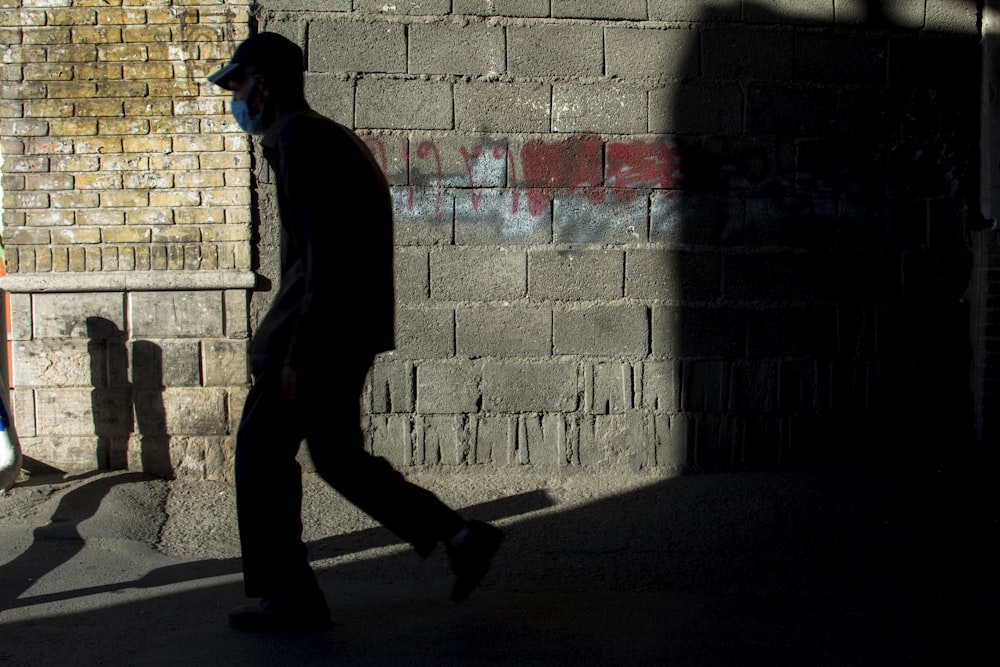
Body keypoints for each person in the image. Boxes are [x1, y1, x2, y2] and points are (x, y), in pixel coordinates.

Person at [207, 32, 503, 632]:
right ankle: (460, 535)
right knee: (339, 459)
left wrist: (297, 348)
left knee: (261, 458)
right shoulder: (322, 137)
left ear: (262, 84)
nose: (233, 100)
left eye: (236, 86)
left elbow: (323, 256)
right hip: (342, 333)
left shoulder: (296, 140)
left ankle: (291, 597)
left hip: (316, 339)